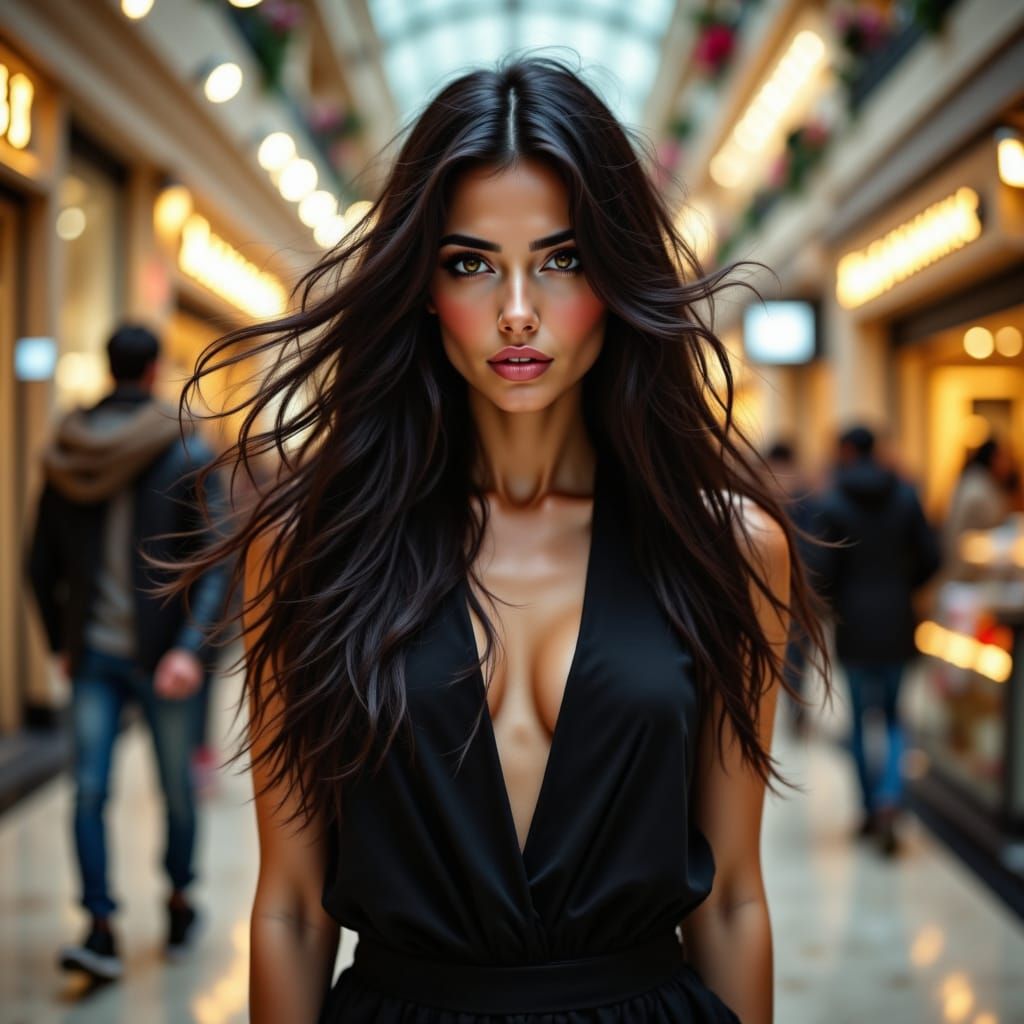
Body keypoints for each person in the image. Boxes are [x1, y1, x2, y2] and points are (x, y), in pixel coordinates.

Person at [167, 56, 828, 1024]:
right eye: (471, 262)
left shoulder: (727, 547)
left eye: (561, 259)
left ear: (614, 274)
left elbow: (729, 895)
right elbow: (293, 908)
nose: (517, 308)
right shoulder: (317, 548)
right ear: (423, 287)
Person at [26, 324, 228, 982]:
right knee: (174, 792)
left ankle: (102, 922)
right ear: (153, 372)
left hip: (97, 652)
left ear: (111, 369)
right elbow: (218, 561)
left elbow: (37, 564)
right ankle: (172, 900)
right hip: (162, 656)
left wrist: (61, 641)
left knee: (88, 793)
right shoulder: (184, 448)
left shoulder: (68, 450)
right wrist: (191, 649)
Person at [810, 425, 940, 856]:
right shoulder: (905, 496)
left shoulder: (833, 501)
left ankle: (869, 807)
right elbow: (932, 555)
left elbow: (821, 569)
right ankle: (890, 798)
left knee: (861, 719)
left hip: (855, 622)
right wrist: (905, 586)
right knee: (893, 715)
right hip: (898, 618)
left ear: (846, 451)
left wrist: (835, 601)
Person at [762, 441, 820, 737]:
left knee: (796, 652)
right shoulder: (762, 502)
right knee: (782, 653)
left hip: (798, 590)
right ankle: (789, 711)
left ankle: (795, 710)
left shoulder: (806, 500)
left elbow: (815, 549)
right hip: (775, 590)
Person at [942, 437, 1014, 580]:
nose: (1009, 464)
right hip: (967, 573)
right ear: (993, 459)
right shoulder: (979, 490)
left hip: (962, 566)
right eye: (1005, 458)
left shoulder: (975, 481)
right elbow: (993, 535)